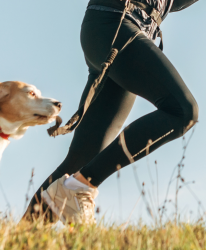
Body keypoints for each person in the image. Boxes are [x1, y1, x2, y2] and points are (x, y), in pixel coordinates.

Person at [23, 0, 200, 224]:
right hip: (115, 22)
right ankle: (83, 184)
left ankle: (21, 237)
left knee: (84, 157)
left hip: (125, 30)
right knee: (183, 111)